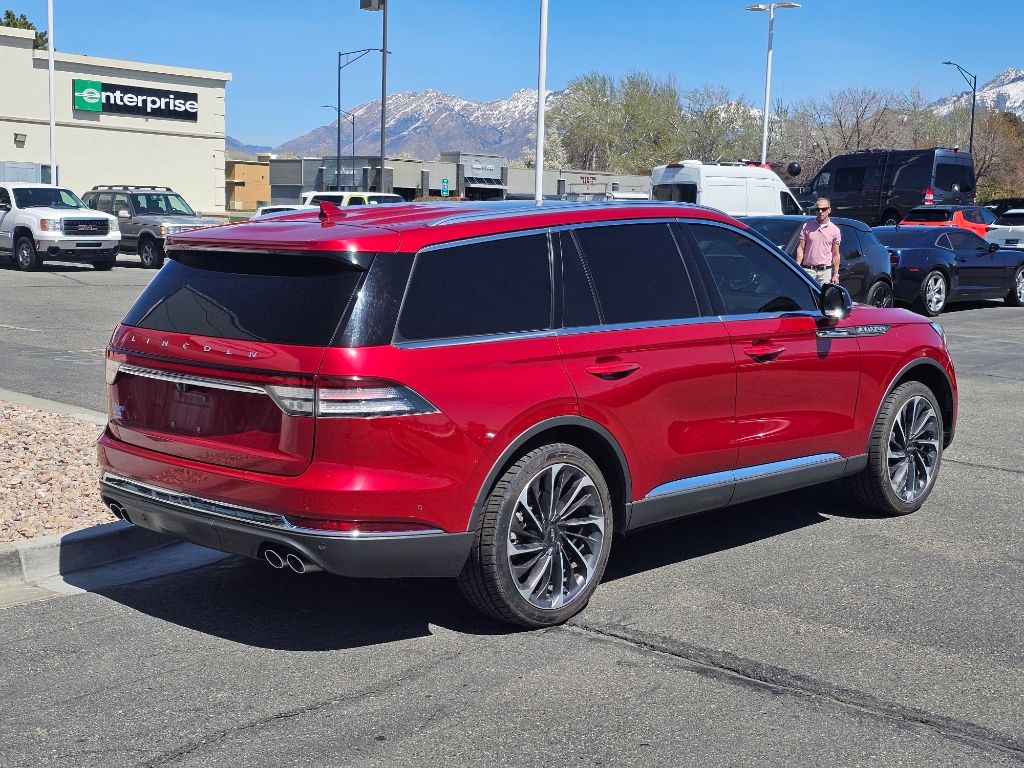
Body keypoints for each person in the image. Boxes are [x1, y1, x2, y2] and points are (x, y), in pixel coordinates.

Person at [796, 198, 840, 286]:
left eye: (824, 209)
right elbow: (801, 248)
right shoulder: (807, 226)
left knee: (822, 298)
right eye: (818, 209)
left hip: (825, 273)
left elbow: (835, 254)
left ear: (829, 210)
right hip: (808, 271)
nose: (820, 211)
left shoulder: (835, 230)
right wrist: (797, 267)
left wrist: (835, 274)